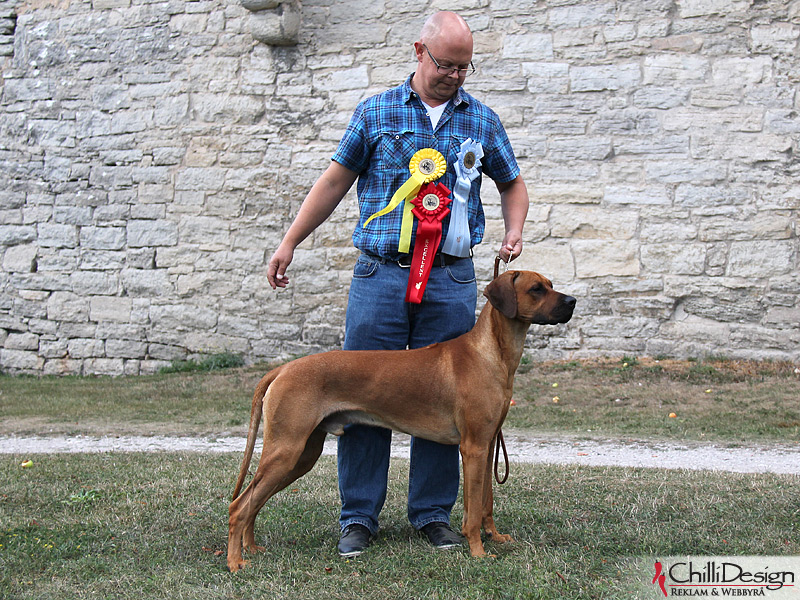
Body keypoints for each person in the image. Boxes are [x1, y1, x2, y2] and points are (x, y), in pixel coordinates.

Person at [266, 11, 529, 557]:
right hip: (381, 274)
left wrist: (515, 229)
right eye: (445, 64)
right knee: (361, 393)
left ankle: (432, 516)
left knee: (451, 402)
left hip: (452, 278)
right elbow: (336, 179)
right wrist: (290, 240)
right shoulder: (377, 110)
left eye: (464, 67)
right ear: (418, 51)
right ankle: (359, 517)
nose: (455, 75)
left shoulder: (481, 118)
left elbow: (512, 182)